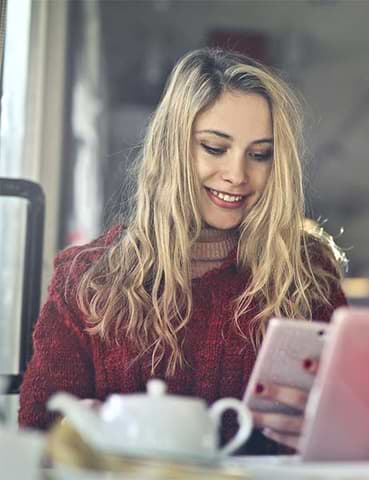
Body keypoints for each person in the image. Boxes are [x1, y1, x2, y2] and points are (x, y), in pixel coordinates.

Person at [18, 48, 347, 453]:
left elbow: (352, 416)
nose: (237, 175)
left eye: (260, 155)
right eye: (214, 147)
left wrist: (327, 428)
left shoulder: (309, 271)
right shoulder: (86, 276)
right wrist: (75, 424)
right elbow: (37, 421)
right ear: (172, 148)